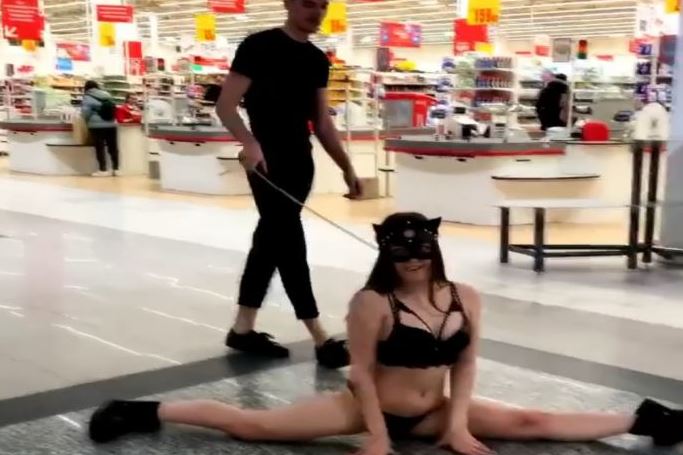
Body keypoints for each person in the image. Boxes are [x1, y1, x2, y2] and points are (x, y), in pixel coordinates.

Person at [88, 212, 683, 454]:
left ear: (436, 247)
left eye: (422, 249)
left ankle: (645, 419)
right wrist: (376, 435)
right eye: (402, 251)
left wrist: (456, 425)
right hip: (365, 408)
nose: (414, 259)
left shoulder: (465, 297)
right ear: (386, 253)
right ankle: (140, 409)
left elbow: (465, 365)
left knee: (532, 421)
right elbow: (362, 372)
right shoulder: (371, 302)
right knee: (254, 426)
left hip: (433, 412)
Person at [215, 0, 362, 368]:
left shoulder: (317, 60)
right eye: (309, 3)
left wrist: (347, 167)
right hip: (266, 162)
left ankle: (243, 328)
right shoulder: (258, 46)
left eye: (323, 5)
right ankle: (320, 336)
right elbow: (226, 106)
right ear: (289, 4)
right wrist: (249, 143)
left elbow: (322, 123)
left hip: (300, 163)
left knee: (270, 241)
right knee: (289, 241)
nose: (317, 11)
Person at [82, 80, 119, 177]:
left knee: (100, 148)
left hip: (96, 126)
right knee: (113, 147)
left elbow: (85, 113)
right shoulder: (107, 94)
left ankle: (103, 170)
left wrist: (87, 121)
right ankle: (116, 169)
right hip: (111, 124)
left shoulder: (87, 97)